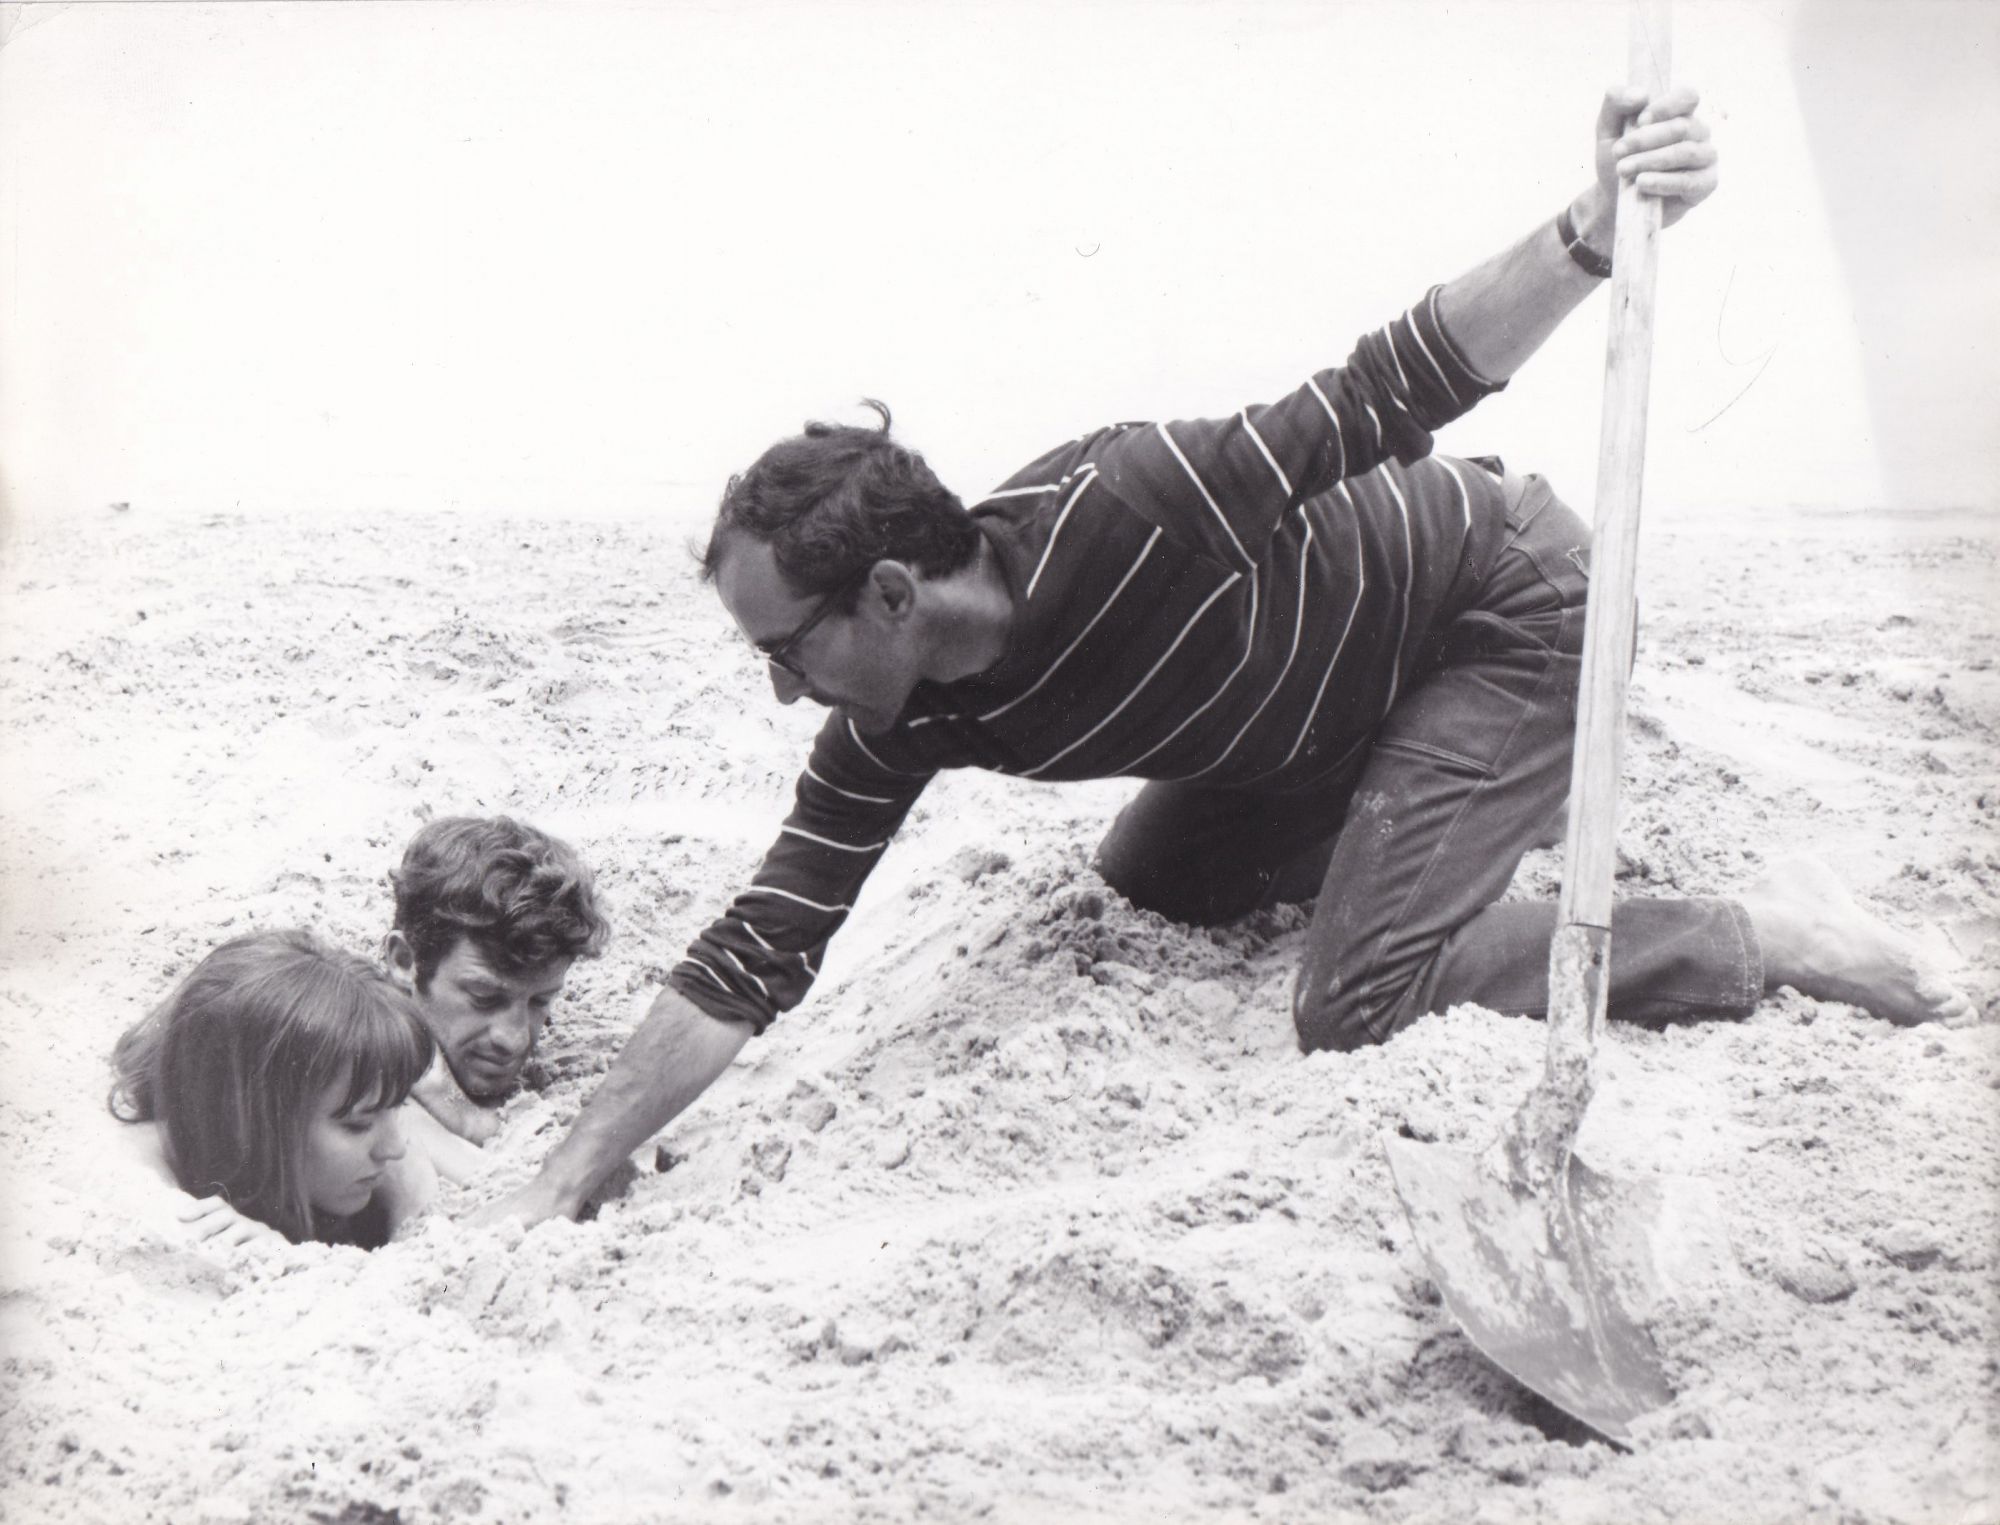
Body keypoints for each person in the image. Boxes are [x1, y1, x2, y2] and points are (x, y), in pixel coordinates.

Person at [479, 85, 1970, 1228]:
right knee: (1154, 883)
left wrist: (1591, 223)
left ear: (885, 592)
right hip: (1300, 730)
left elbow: (1401, 378)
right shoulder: (895, 721)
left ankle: (1765, 932)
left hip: (1501, 610)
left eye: (786, 649)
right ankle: (1434, 825)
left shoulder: (1129, 507)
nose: (781, 689)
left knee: (1355, 1002)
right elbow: (760, 943)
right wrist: (565, 1182)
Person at [109, 928, 478, 1251]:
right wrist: (288, 1261)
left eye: (397, 1105)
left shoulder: (357, 1110)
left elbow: (492, 1188)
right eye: (358, 1125)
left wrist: (412, 1203)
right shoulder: (139, 1188)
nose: (394, 1146)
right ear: (248, 1120)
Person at [383, 815, 612, 1143]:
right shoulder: (344, 1043)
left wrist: (464, 1115)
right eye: (484, 998)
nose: (514, 1039)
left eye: (540, 1001)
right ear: (405, 961)